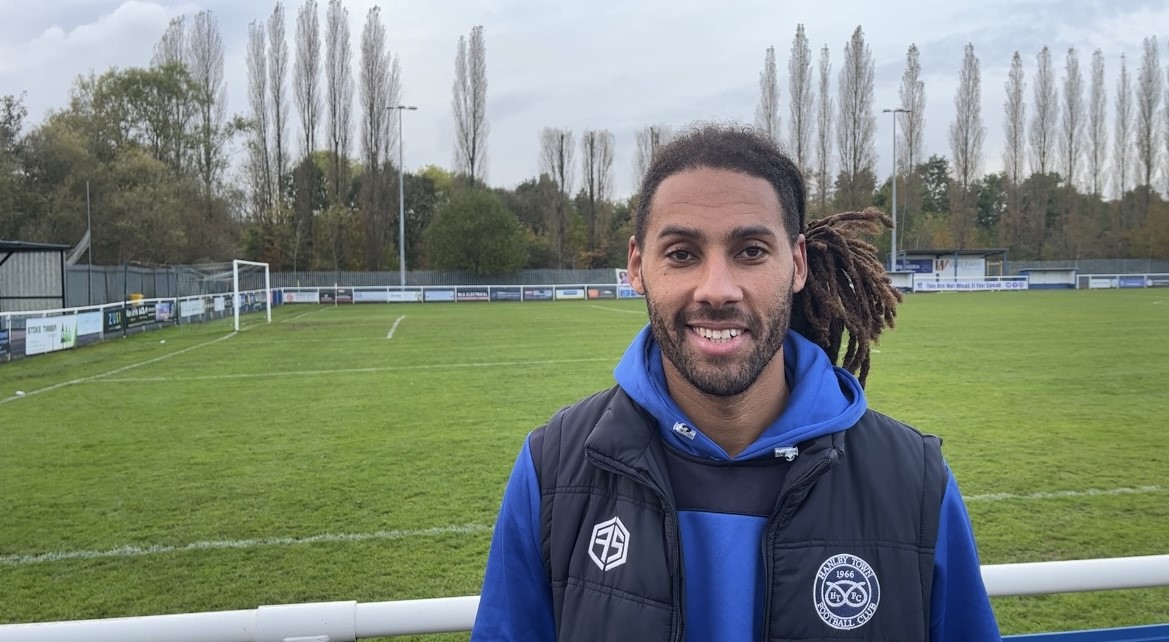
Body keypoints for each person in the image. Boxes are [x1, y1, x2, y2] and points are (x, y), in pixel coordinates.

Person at [471, 123, 1000, 641]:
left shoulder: (915, 481)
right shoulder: (551, 470)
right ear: (637, 267)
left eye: (750, 251)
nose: (717, 290)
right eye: (682, 254)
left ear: (796, 265)